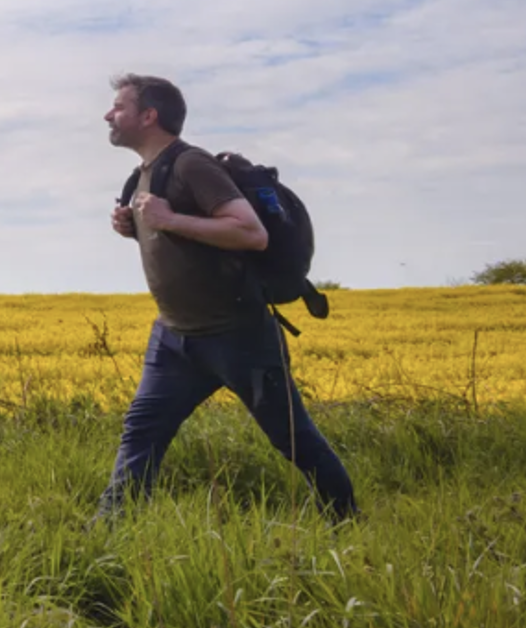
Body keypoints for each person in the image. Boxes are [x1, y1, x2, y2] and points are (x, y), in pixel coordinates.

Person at [99, 72, 357, 521]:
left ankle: (347, 521)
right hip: (175, 339)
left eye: (118, 107)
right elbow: (177, 238)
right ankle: (106, 536)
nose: (108, 114)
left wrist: (170, 219)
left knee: (294, 439)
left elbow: (250, 233)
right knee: (141, 431)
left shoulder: (191, 165)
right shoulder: (143, 175)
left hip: (239, 337)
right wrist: (133, 229)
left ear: (149, 115)